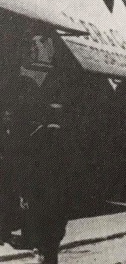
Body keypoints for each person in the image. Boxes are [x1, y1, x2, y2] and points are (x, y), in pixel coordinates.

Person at [22, 103, 72, 264]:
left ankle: (43, 258)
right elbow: (75, 171)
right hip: (60, 198)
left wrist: (25, 194)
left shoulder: (35, 136)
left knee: (42, 237)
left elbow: (28, 168)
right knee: (55, 238)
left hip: (40, 196)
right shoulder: (68, 138)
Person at [0, 108, 20, 245]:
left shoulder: (13, 134)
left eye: (10, 117)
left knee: (8, 205)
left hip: (9, 175)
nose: (9, 119)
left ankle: (5, 233)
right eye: (6, 117)